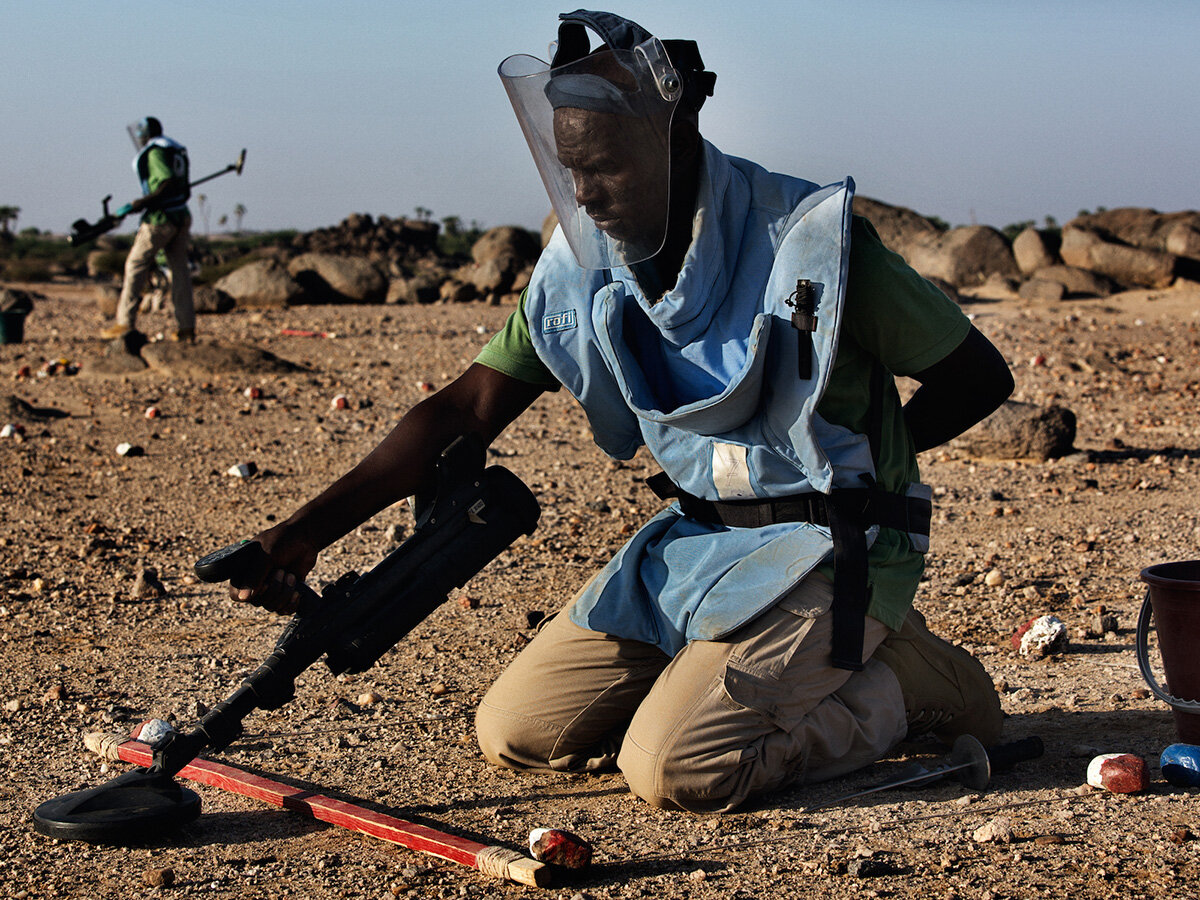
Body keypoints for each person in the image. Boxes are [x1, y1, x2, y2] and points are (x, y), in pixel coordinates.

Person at [231, 10, 1015, 813]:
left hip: (831, 552)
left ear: (673, 140)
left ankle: (900, 683)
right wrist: (303, 532)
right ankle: (750, 679)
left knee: (678, 772)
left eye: (604, 168)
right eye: (569, 170)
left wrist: (866, 472)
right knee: (517, 731)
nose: (583, 194)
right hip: (697, 543)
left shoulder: (809, 246)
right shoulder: (585, 271)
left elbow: (979, 377)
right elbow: (466, 407)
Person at [100, 116, 195, 343]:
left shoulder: (155, 152)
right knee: (180, 271)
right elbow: (183, 188)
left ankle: (124, 322)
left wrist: (145, 202)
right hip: (181, 215)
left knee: (135, 265)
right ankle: (186, 327)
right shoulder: (176, 150)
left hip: (160, 219)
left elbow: (166, 182)